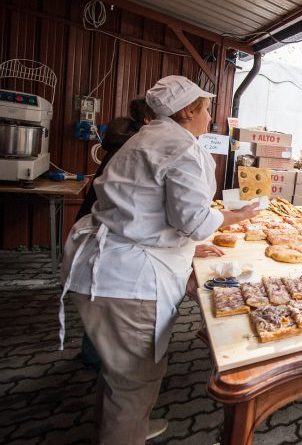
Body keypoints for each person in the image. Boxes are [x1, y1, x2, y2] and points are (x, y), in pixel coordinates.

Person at [60, 75, 259, 445]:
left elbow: (143, 209)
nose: (210, 116)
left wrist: (183, 247)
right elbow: (194, 221)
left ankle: (126, 424)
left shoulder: (147, 137)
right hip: (128, 279)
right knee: (134, 380)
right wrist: (237, 216)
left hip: (103, 264)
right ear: (187, 110)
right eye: (205, 108)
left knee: (119, 372)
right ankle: (124, 431)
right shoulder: (183, 147)